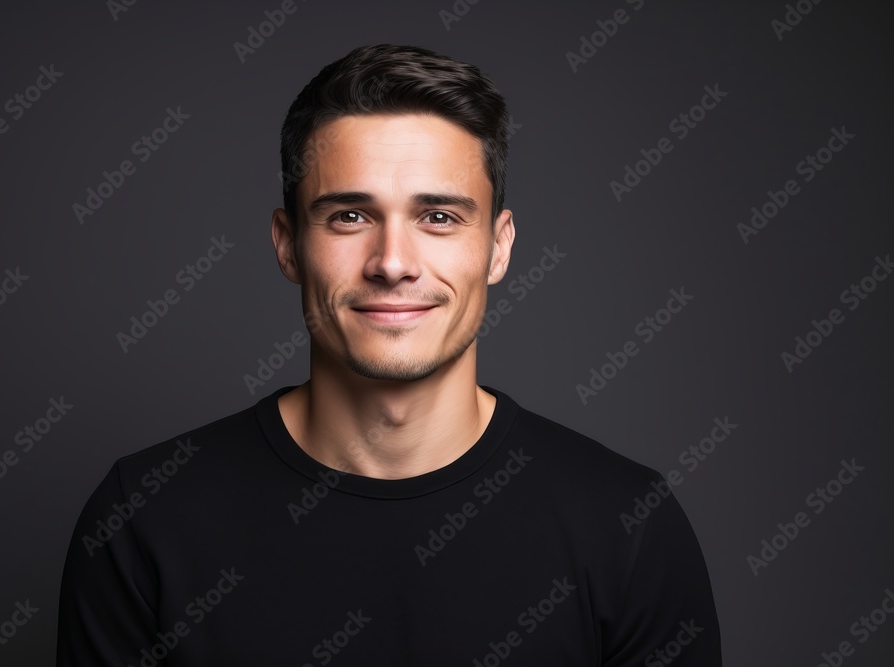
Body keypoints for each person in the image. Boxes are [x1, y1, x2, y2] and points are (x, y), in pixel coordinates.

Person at [56, 43, 721, 666]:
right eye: (350, 215)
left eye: (438, 217)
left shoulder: (628, 526)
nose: (393, 263)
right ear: (288, 244)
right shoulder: (144, 519)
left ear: (499, 245)